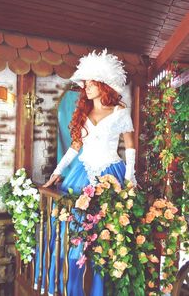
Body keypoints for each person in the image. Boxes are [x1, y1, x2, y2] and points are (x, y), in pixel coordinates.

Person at [42, 49, 136, 296]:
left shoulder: (119, 112)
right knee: (72, 229)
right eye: (86, 84)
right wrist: (57, 172)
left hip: (110, 173)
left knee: (104, 232)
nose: (87, 88)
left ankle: (99, 289)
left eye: (92, 84)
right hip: (81, 174)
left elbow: (130, 147)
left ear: (104, 85)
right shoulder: (83, 112)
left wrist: (128, 178)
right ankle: (71, 287)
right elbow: (75, 147)